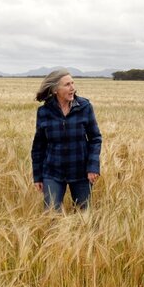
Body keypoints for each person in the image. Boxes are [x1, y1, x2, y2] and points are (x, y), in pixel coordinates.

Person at [31, 69, 102, 211]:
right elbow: (39, 146)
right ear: (55, 89)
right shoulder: (44, 112)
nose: (72, 88)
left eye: (73, 83)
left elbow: (95, 138)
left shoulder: (84, 107)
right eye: (67, 84)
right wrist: (38, 176)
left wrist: (92, 167)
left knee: (84, 215)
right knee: (51, 215)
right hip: (52, 172)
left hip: (80, 171)